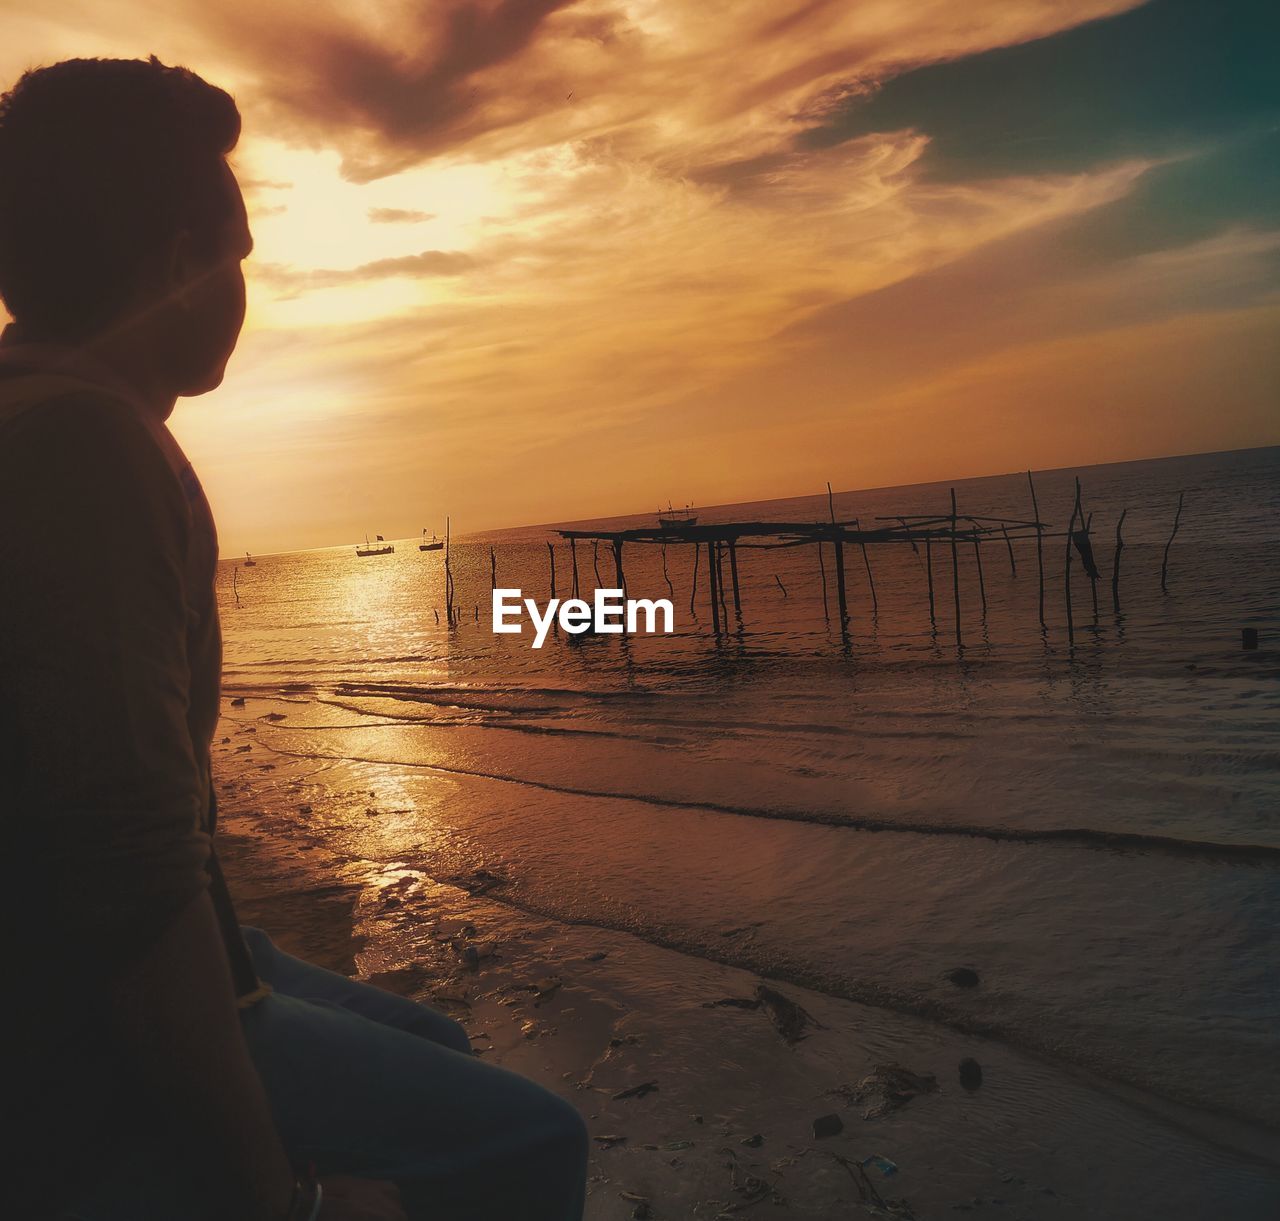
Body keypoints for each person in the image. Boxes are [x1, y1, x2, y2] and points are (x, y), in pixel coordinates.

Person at [0, 57, 588, 1221]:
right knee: (532, 1145)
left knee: (433, 1034)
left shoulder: (37, 407)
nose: (243, 290)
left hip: (141, 948)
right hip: (67, 1015)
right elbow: (126, 872)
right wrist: (282, 1202)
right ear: (179, 263)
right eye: (241, 260)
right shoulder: (82, 451)